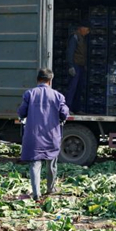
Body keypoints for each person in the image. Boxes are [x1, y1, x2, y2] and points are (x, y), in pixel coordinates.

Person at [17, 68, 69, 200]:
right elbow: (64, 114)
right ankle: (50, 189)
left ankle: (36, 194)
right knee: (51, 163)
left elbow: (21, 112)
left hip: (34, 136)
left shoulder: (29, 94)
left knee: (35, 164)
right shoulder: (58, 96)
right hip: (52, 135)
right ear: (50, 81)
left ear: (37, 80)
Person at [64, 20, 90, 113]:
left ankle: (76, 108)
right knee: (72, 87)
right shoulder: (74, 37)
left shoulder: (82, 38)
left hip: (81, 66)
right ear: (81, 28)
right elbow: (70, 52)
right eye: (87, 30)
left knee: (79, 88)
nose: (87, 32)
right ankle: (67, 108)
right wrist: (71, 66)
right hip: (75, 65)